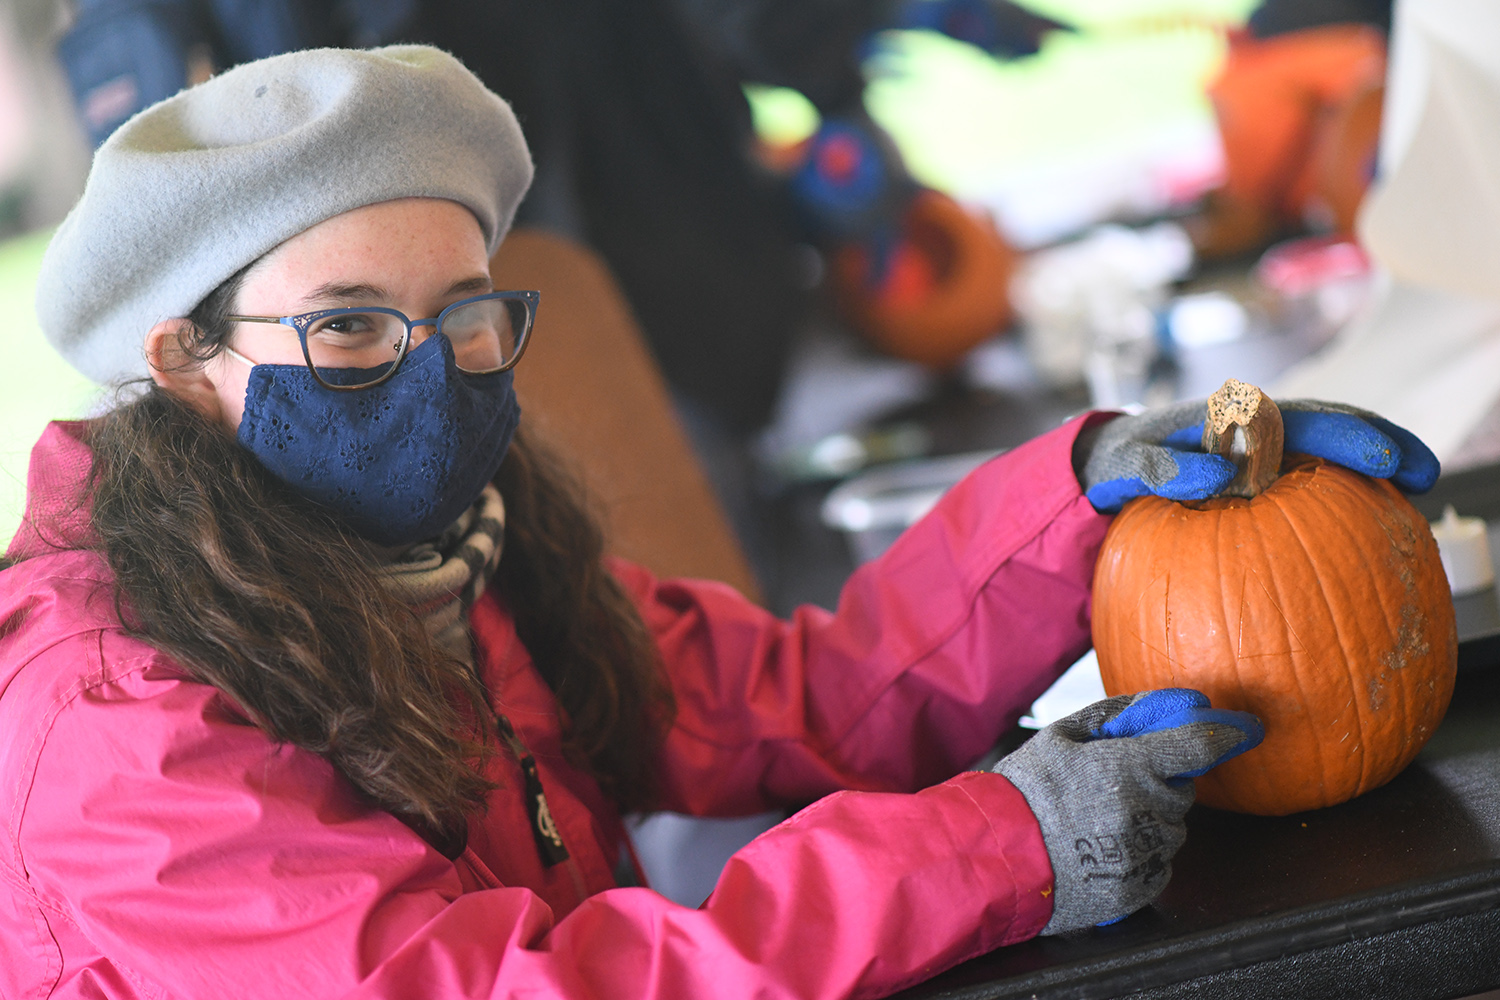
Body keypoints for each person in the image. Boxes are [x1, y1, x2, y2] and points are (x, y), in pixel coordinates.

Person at [0, 46, 1435, 998]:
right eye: (350, 327)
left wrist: (1082, 492)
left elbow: (807, 697)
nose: (428, 372)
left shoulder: (449, 562)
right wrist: (994, 848)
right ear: (183, 365)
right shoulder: (115, 712)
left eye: (466, 316)